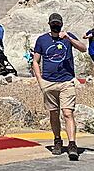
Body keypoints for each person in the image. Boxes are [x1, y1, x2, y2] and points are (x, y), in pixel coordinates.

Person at [31, 12, 87, 161]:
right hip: (49, 82)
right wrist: (40, 80)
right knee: (54, 113)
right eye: (53, 23)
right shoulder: (42, 40)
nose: (56, 25)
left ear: (61, 24)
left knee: (68, 113)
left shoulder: (68, 37)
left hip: (66, 81)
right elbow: (36, 60)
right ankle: (57, 140)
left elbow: (83, 48)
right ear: (49, 24)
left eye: (58, 23)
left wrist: (68, 38)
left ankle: (72, 144)